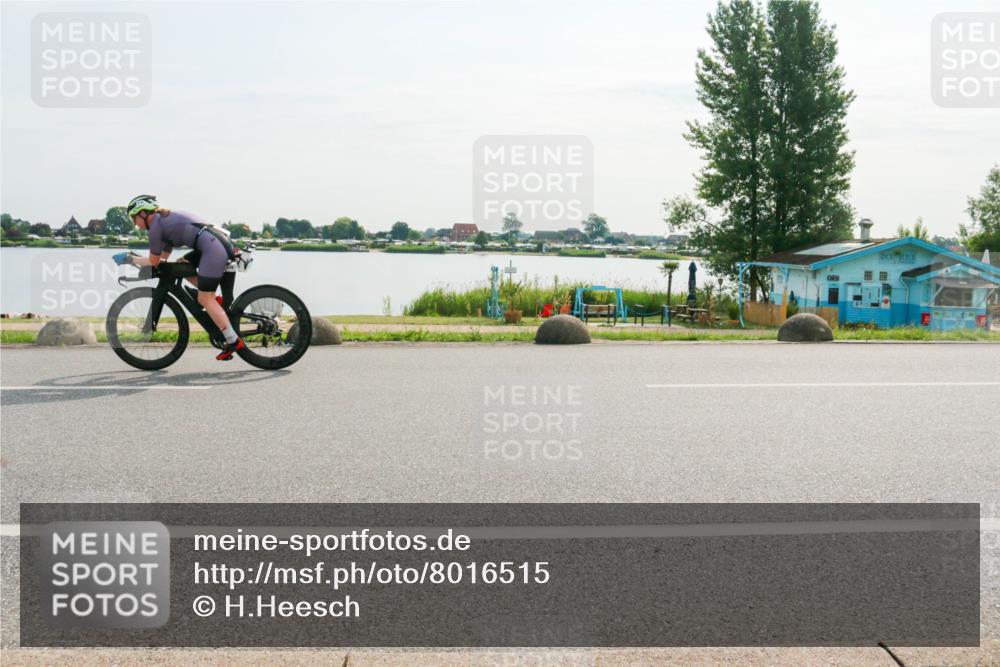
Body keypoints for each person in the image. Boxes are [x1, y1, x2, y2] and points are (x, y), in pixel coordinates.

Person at [118, 195, 245, 360]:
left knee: (205, 298)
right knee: (182, 264)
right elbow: (161, 259)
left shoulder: (156, 226)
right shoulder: (162, 222)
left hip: (213, 247)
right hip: (215, 243)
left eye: (134, 218)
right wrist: (146, 263)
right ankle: (216, 301)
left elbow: (153, 260)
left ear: (142, 213)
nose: (135, 224)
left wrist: (129, 259)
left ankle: (233, 340)